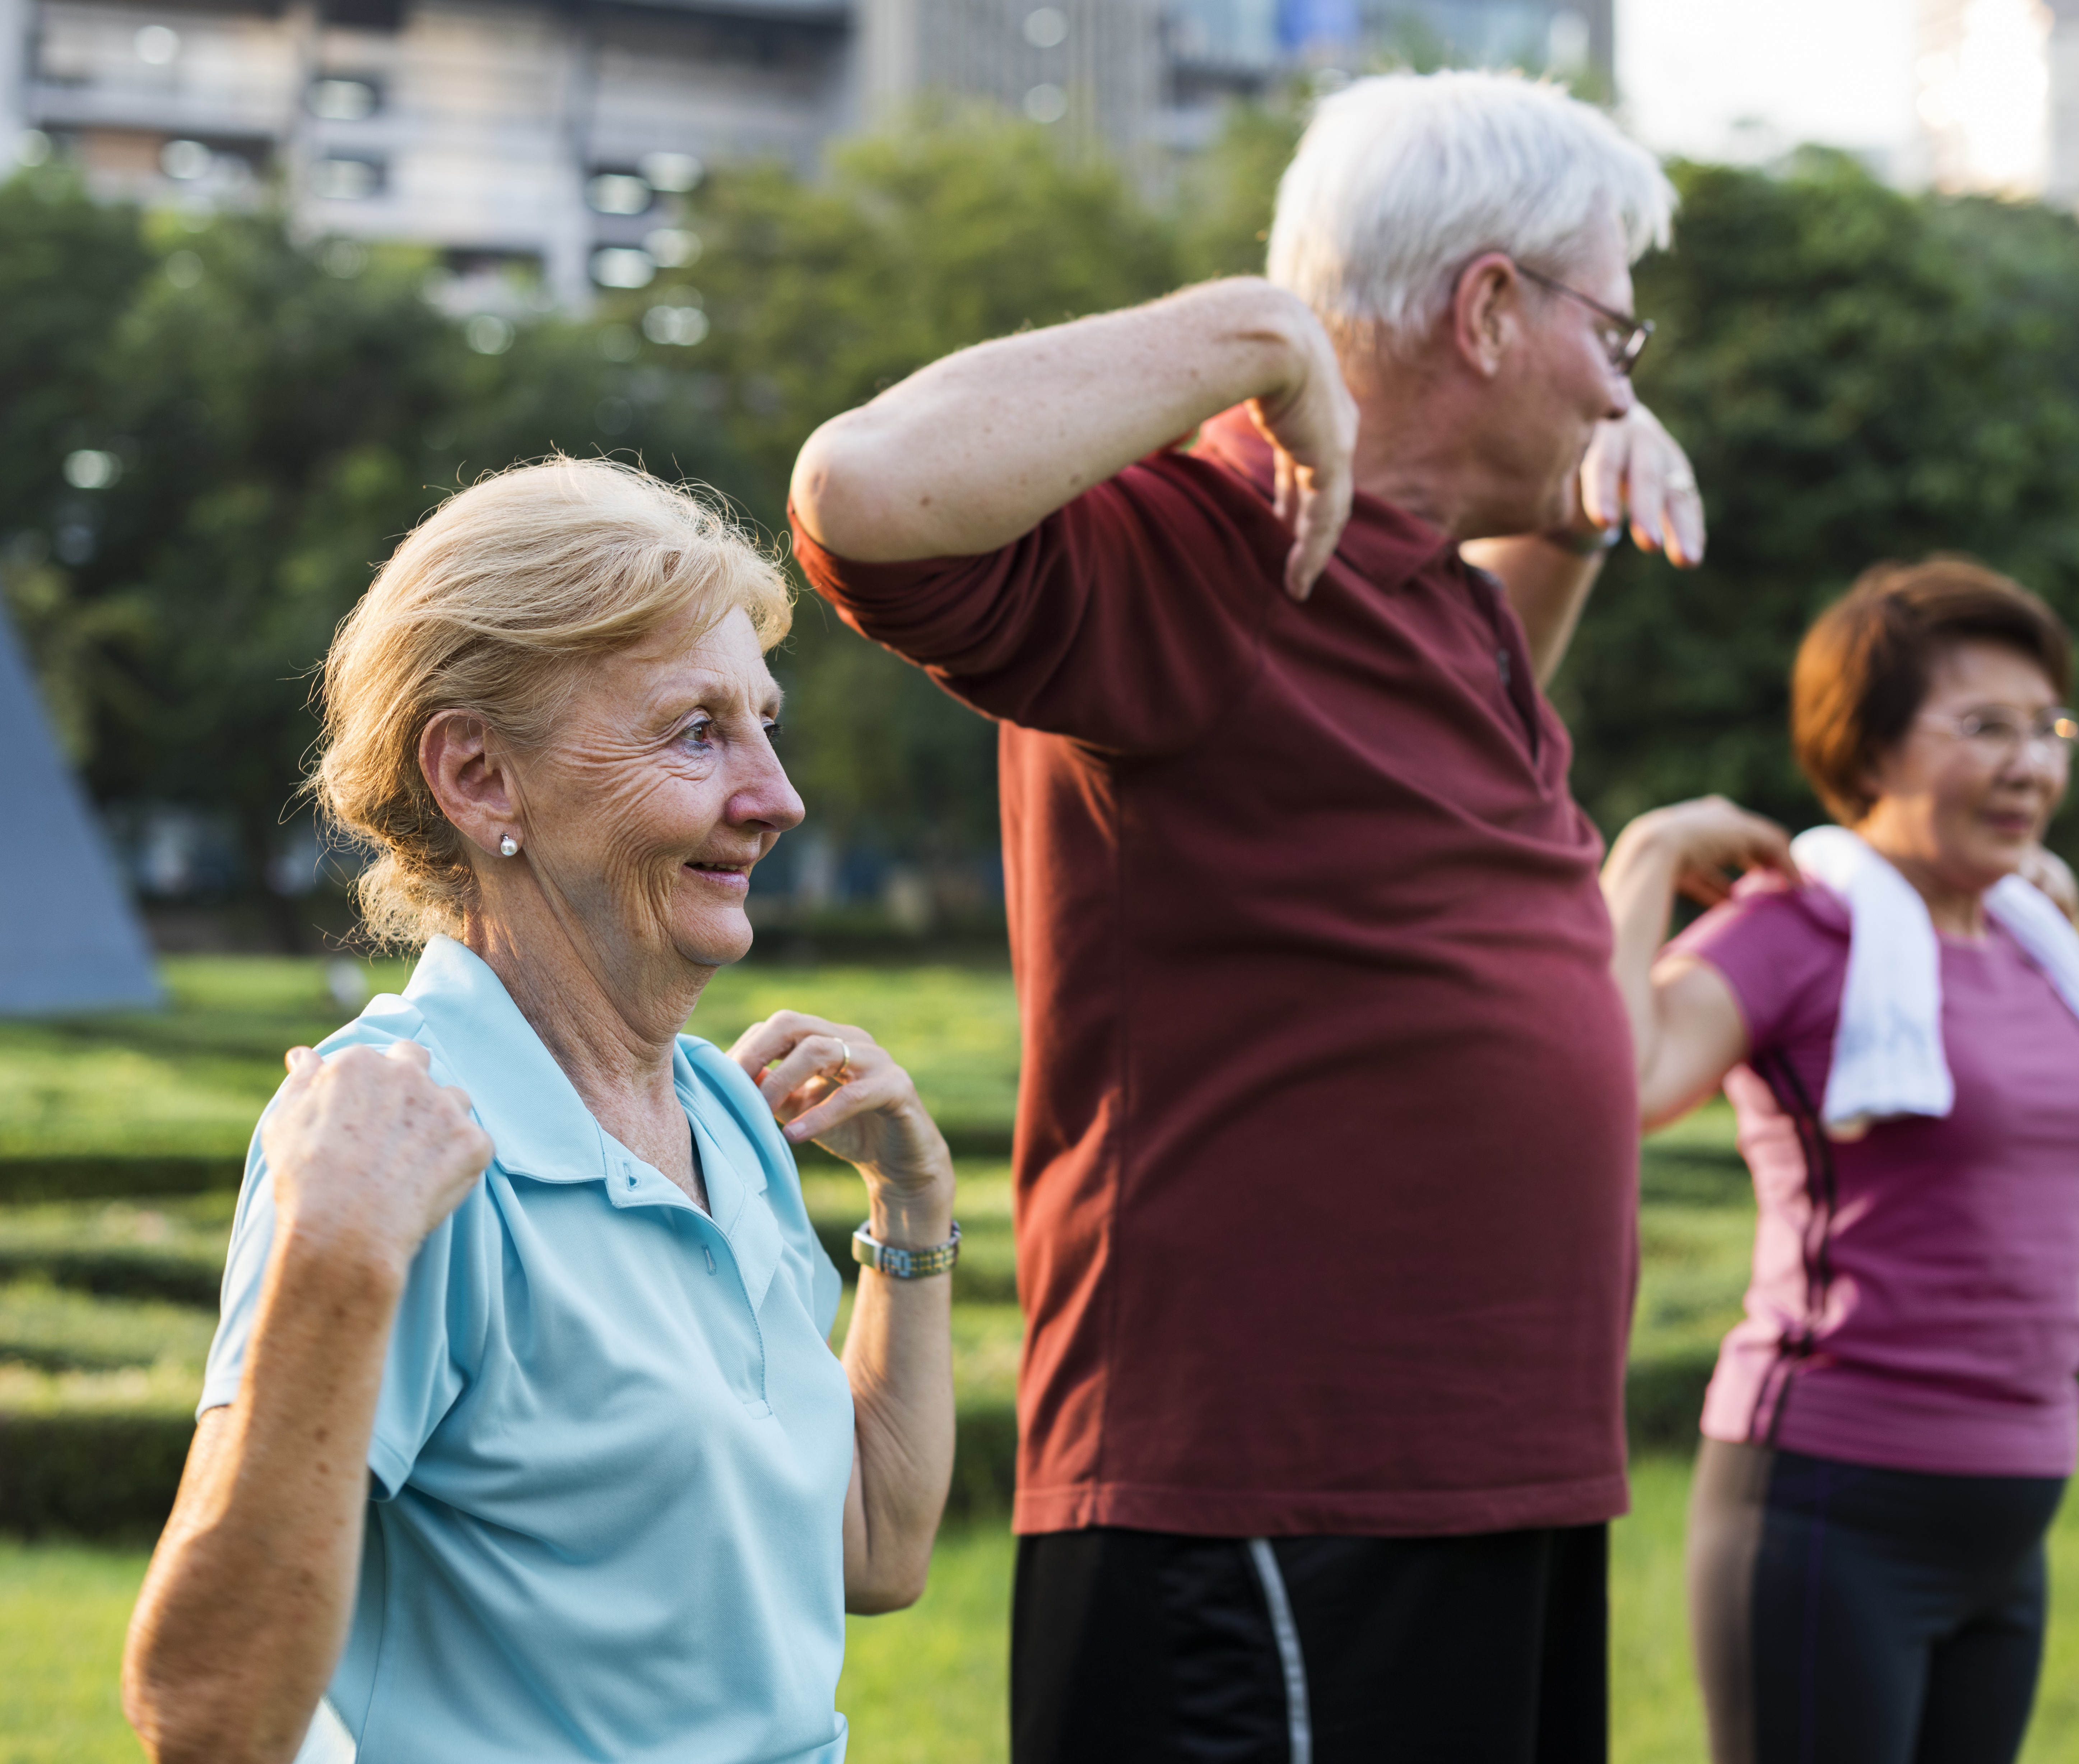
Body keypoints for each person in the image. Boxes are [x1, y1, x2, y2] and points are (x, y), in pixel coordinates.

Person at [789, 71, 1704, 1760]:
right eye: (1614, 337)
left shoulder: (1432, 589)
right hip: (1263, 1505)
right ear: (1489, 308)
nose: (1619, 383)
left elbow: (1380, 823)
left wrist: (1570, 508)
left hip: (1477, 1484)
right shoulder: (1208, 539)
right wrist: (1260, 333)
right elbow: (862, 494)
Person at [120, 459, 959, 1764]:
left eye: (765, 724)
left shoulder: (725, 1120)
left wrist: (912, 1220)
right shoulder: (398, 1136)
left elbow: (872, 1551)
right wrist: (334, 1261)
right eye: (696, 732)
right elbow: (208, 1715)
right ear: (479, 778)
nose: (776, 797)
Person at [1599, 558, 2079, 1764]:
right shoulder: (1795, 929)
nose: (2032, 764)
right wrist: (1650, 858)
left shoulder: (2036, 934)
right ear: (1867, 754)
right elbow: (1618, 1086)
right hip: (1828, 1499)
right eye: (1984, 728)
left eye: (2046, 729)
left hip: (2013, 1503)